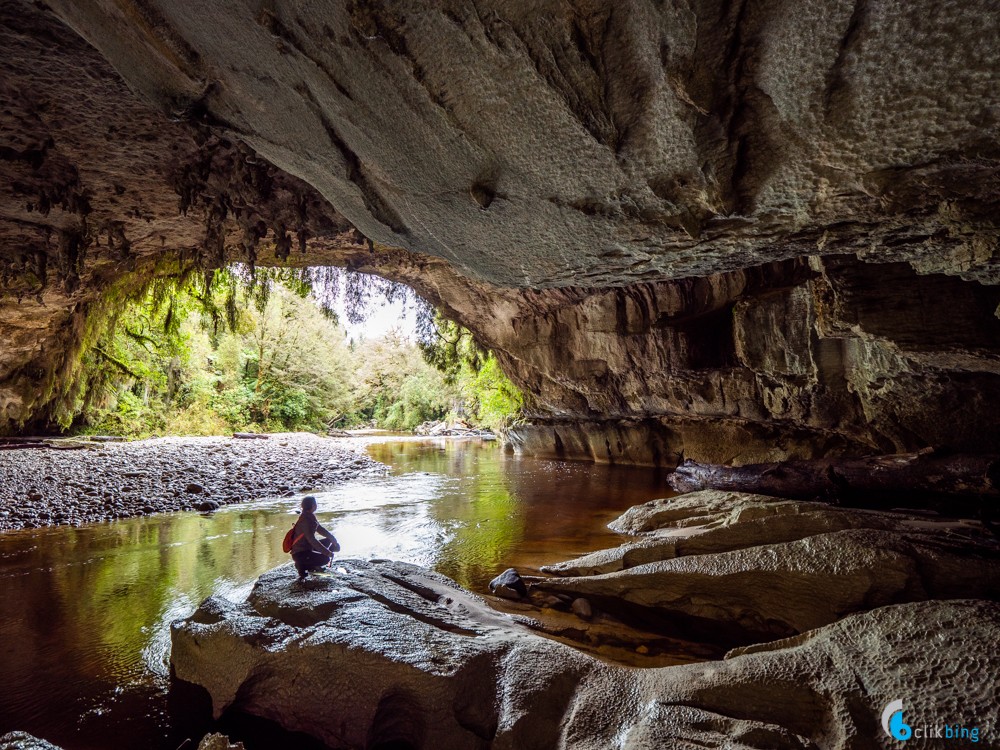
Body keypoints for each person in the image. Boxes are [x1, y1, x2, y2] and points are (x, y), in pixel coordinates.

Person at [290, 495, 340, 578]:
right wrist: (327, 552)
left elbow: (320, 529)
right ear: (313, 506)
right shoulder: (305, 520)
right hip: (300, 553)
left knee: (328, 540)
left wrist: (332, 538)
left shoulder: (309, 516)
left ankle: (311, 563)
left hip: (307, 548)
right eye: (315, 504)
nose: (316, 505)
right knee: (325, 559)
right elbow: (312, 540)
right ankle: (303, 566)